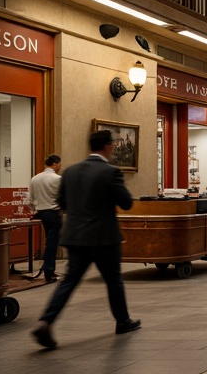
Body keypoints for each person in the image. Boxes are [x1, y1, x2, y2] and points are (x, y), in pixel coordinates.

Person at [31, 130, 140, 349]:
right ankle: (122, 321)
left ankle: (46, 320)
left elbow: (62, 202)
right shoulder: (110, 172)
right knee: (113, 280)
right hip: (103, 237)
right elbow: (126, 202)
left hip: (75, 236)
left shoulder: (70, 172)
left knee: (69, 281)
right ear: (108, 146)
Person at [28, 154, 62, 283]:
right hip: (54, 212)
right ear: (56, 164)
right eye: (59, 164)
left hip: (41, 212)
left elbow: (30, 197)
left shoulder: (35, 178)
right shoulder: (58, 179)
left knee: (49, 240)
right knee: (52, 243)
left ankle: (48, 268)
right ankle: (49, 270)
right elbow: (62, 196)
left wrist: (33, 208)